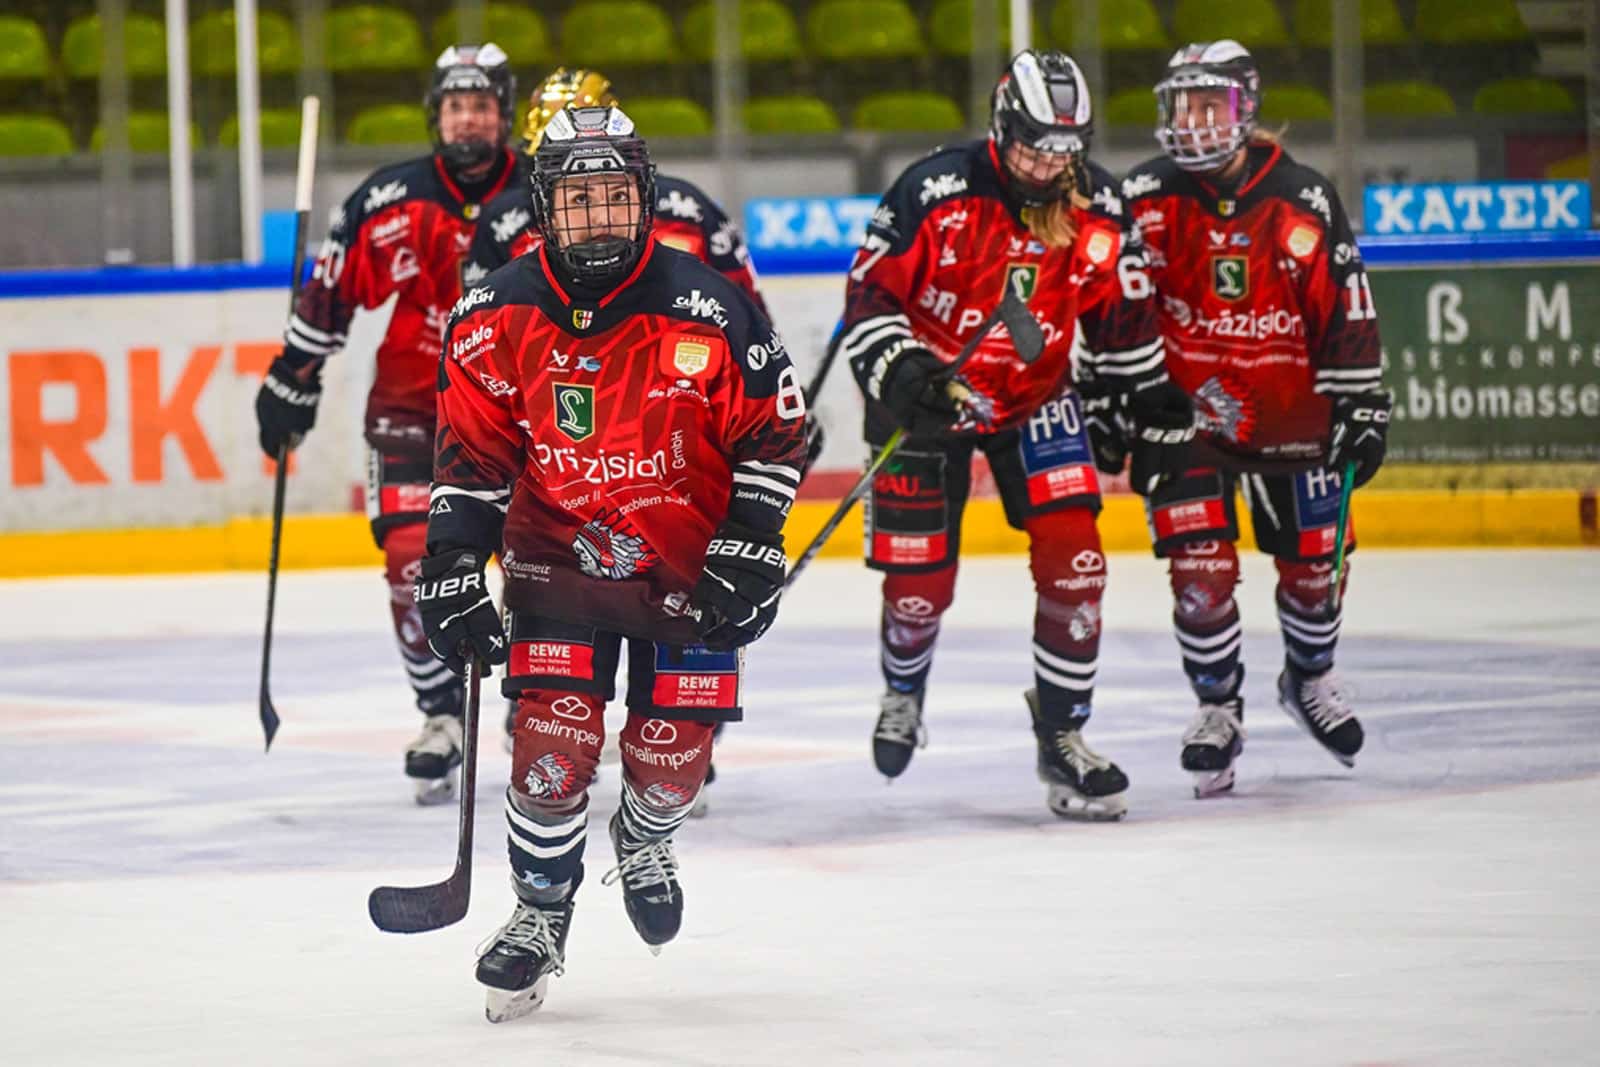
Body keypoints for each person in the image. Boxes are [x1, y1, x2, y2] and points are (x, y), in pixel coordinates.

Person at [415, 104, 808, 1021]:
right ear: (545, 207)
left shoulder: (710, 306)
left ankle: (644, 830)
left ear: (645, 199)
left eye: (616, 197)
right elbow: (472, 460)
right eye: (580, 200)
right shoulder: (491, 314)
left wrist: (751, 545)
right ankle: (538, 913)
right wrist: (451, 563)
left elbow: (775, 437)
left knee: (671, 765)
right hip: (559, 560)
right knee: (552, 751)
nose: (599, 217)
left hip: (690, 565)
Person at [839, 50, 1186, 821]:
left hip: (1033, 396)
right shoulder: (934, 189)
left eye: (1065, 148)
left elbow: (1121, 319)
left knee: (1079, 561)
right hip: (928, 396)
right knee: (919, 588)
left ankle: (1062, 731)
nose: (1047, 164)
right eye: (1034, 145)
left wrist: (1144, 398)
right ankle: (903, 688)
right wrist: (903, 372)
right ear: (1002, 127)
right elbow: (867, 296)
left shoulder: (1096, 205)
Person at [465, 69, 806, 812]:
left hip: (677, 454)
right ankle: (546, 700)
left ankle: (675, 744)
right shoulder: (502, 240)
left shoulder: (690, 219)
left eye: (613, 190)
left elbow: (747, 324)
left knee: (678, 710)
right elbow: (489, 376)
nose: (596, 210)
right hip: (557, 476)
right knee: (551, 645)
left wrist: (750, 520)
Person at [1114, 40, 1390, 797]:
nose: (1195, 122)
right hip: (1188, 421)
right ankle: (1216, 708)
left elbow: (1346, 310)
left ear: (1245, 107)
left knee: (1314, 574)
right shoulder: (1141, 198)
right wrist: (1117, 399)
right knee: (1199, 576)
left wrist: (1362, 404)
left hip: (1291, 415)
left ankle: (1308, 679)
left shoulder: (1302, 199)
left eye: (1211, 105)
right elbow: (1114, 308)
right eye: (1182, 106)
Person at [253, 44, 520, 804]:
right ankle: (442, 714)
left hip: (518, 418)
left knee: (534, 569)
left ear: (504, 113)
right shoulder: (387, 198)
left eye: (482, 104)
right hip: (414, 415)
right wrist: (292, 378)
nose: (468, 117)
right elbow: (331, 293)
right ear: (436, 115)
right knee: (412, 562)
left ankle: (536, 700)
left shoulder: (544, 191)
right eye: (455, 104)